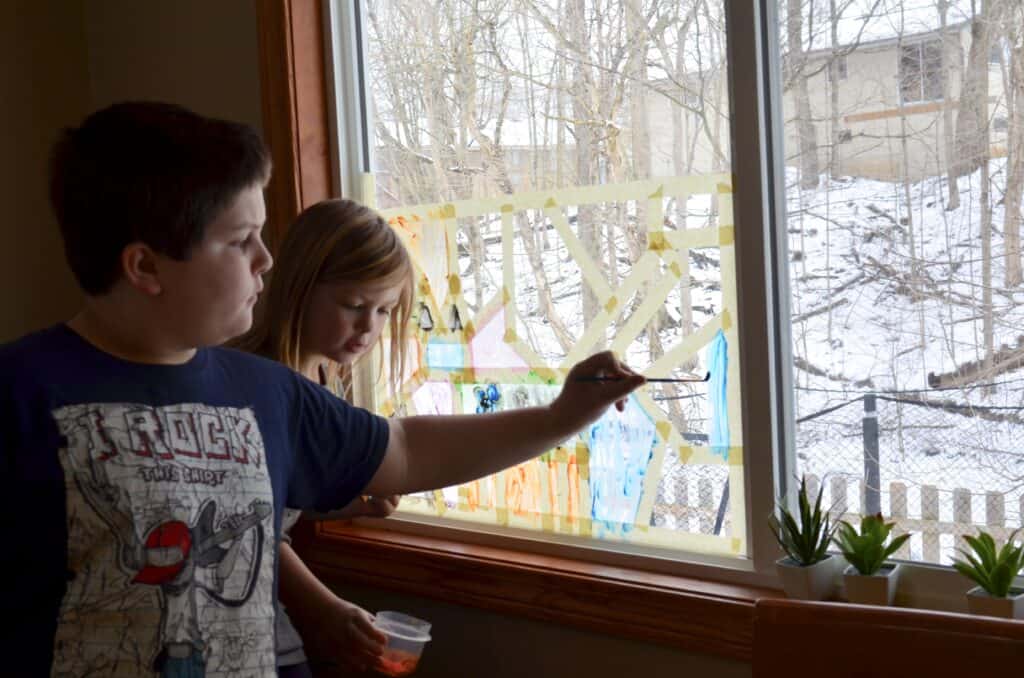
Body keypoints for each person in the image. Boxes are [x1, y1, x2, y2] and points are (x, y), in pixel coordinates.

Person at [0, 101, 644, 677]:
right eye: (240, 240)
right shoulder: (21, 391)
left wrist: (564, 415)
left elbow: (409, 451)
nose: (266, 260)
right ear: (145, 266)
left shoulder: (266, 393)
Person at [233, 198, 416, 676]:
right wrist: (323, 606)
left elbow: (283, 494)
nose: (368, 327)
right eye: (354, 305)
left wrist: (352, 503)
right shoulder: (258, 383)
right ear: (300, 287)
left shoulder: (324, 377)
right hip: (241, 616)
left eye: (383, 310)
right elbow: (252, 523)